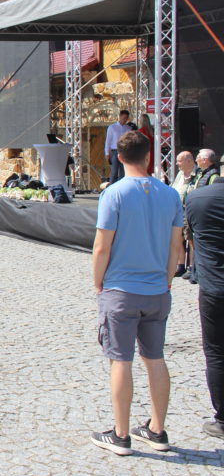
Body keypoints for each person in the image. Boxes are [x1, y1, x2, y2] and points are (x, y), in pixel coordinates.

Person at [90, 131, 183, 456]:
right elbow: (177, 247)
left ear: (118, 157)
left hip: (121, 290)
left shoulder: (114, 194)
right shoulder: (170, 195)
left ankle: (121, 434)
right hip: (158, 289)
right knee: (155, 359)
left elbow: (102, 247)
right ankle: (157, 430)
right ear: (149, 158)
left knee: (121, 360)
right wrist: (168, 278)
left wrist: (98, 282)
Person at [185, 165, 224, 441]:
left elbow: (191, 236)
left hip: (213, 287)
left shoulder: (198, 198)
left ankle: (222, 419)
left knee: (216, 353)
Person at [104, 110, 131, 185]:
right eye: (124, 118)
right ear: (119, 117)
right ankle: (112, 187)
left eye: (126, 118)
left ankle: (121, 187)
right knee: (114, 171)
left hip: (124, 151)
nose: (125, 120)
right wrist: (107, 153)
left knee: (123, 171)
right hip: (114, 151)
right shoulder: (112, 127)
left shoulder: (128, 128)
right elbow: (108, 140)